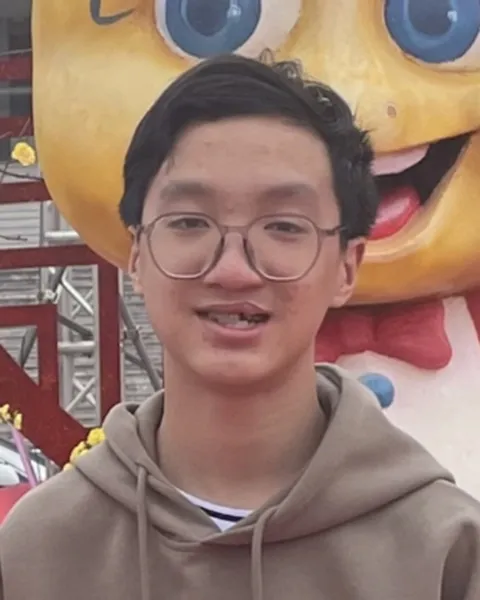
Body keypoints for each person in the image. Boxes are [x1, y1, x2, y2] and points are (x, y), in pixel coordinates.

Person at [1, 54, 479, 600]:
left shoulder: (444, 550)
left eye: (283, 226)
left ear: (347, 266)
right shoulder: (42, 550)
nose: (233, 269)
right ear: (136, 254)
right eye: (189, 222)